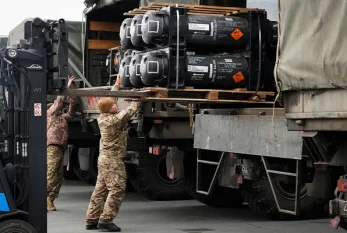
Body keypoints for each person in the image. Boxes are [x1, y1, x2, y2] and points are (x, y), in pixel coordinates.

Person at [86, 75, 141, 232]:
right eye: (114, 105)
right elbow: (130, 111)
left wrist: (117, 85)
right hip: (113, 161)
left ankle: (91, 219)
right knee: (117, 189)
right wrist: (138, 99)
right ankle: (106, 220)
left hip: (104, 160)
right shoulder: (112, 121)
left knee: (100, 190)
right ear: (110, 109)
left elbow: (111, 99)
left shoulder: (103, 116)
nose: (116, 105)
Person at [47, 76, 75, 211]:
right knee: (51, 173)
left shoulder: (62, 118)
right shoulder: (50, 114)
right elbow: (58, 102)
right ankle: (44, 197)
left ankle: (50, 199)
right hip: (52, 146)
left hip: (60, 147)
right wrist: (67, 87)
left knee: (58, 175)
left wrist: (71, 103)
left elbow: (70, 114)